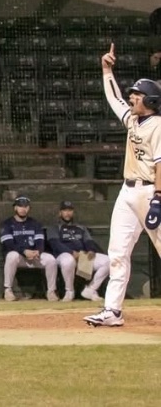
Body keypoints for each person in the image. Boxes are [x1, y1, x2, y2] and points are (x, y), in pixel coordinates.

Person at [86, 45, 161, 327]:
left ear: (151, 100)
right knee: (117, 253)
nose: (132, 96)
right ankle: (112, 311)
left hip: (149, 191)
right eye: (132, 93)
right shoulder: (132, 119)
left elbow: (160, 163)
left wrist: (158, 198)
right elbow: (114, 98)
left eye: (138, 94)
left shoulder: (158, 125)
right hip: (127, 192)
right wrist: (107, 70)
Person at [49, 201, 108, 302]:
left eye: (70, 210)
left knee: (108, 261)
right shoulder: (54, 228)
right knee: (68, 260)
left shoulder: (81, 227)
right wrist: (72, 252)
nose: (67, 213)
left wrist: (90, 250)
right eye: (65, 210)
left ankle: (91, 289)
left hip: (82, 255)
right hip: (63, 255)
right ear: (60, 213)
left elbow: (88, 241)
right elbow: (55, 244)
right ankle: (69, 291)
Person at [0, 196, 56, 301]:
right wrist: (24, 251)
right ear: (15, 208)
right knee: (12, 255)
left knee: (51, 260)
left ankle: (51, 291)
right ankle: (8, 290)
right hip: (19, 257)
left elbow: (40, 241)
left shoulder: (35, 223)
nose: (23, 209)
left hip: (34, 256)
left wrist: (37, 252)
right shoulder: (7, 224)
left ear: (29, 208)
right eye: (20, 206)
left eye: (26, 206)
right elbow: (9, 244)